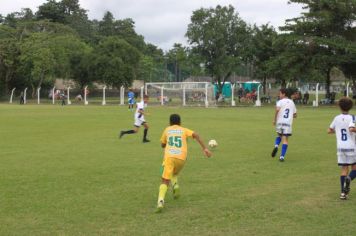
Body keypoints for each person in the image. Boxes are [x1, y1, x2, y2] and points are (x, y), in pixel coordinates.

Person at [155, 114, 212, 213]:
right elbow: (196, 135)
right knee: (174, 173)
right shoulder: (183, 130)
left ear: (170, 123)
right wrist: (205, 148)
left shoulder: (167, 129)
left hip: (170, 157)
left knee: (164, 180)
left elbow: (162, 144)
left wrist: (165, 143)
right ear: (180, 122)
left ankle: (160, 201)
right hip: (182, 158)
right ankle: (175, 185)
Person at [329, 97, 356, 200]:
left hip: (340, 147)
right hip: (351, 147)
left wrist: (338, 131)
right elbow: (351, 129)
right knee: (354, 168)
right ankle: (349, 178)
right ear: (350, 107)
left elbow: (329, 130)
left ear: (340, 107)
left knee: (344, 169)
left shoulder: (336, 118)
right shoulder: (353, 118)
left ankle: (343, 193)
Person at [271, 88, 297, 162]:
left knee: (279, 135)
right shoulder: (292, 103)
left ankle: (276, 146)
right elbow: (295, 115)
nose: (279, 95)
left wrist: (274, 119)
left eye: (280, 94)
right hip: (288, 123)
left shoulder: (280, 102)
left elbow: (277, 110)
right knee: (285, 140)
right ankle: (282, 157)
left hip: (280, 122)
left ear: (284, 94)